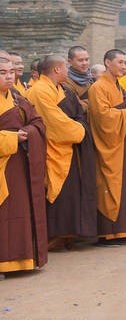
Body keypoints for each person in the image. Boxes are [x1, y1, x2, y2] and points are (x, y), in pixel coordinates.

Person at [24, 55, 90, 250]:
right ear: (56, 70)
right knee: (54, 191)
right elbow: (53, 121)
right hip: (50, 147)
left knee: (68, 191)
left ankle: (66, 233)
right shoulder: (39, 91)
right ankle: (52, 234)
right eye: (65, 68)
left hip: (64, 147)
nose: (68, 71)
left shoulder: (60, 89)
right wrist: (80, 130)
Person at [89, 49, 126, 246]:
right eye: (120, 62)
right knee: (109, 184)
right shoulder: (98, 87)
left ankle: (124, 229)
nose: (124, 66)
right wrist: (125, 115)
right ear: (107, 63)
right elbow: (102, 117)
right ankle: (108, 233)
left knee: (125, 185)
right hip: (109, 144)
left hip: (121, 143)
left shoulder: (117, 85)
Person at [0, 54, 48, 279]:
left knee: (19, 210)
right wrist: (11, 139)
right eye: (2, 73)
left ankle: (22, 259)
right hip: (4, 162)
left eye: (11, 72)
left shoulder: (18, 98)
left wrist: (28, 133)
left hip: (19, 164)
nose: (9, 77)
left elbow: (37, 122)